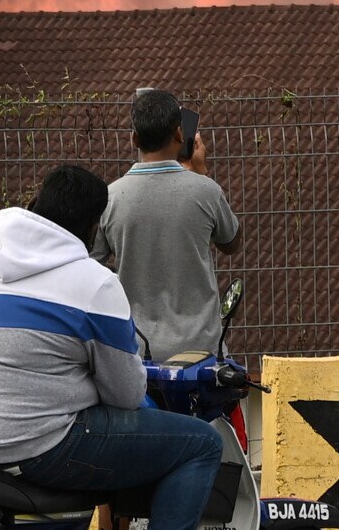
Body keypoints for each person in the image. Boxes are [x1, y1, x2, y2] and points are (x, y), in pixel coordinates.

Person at [0, 164, 220, 530]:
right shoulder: (94, 285)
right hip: (34, 447)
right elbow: (127, 394)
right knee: (201, 444)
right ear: (95, 228)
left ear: (36, 201)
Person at [100, 93, 243, 368]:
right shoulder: (206, 191)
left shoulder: (110, 198)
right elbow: (231, 242)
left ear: (135, 140)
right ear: (180, 134)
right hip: (200, 354)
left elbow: (91, 265)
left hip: (137, 353)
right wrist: (200, 174)